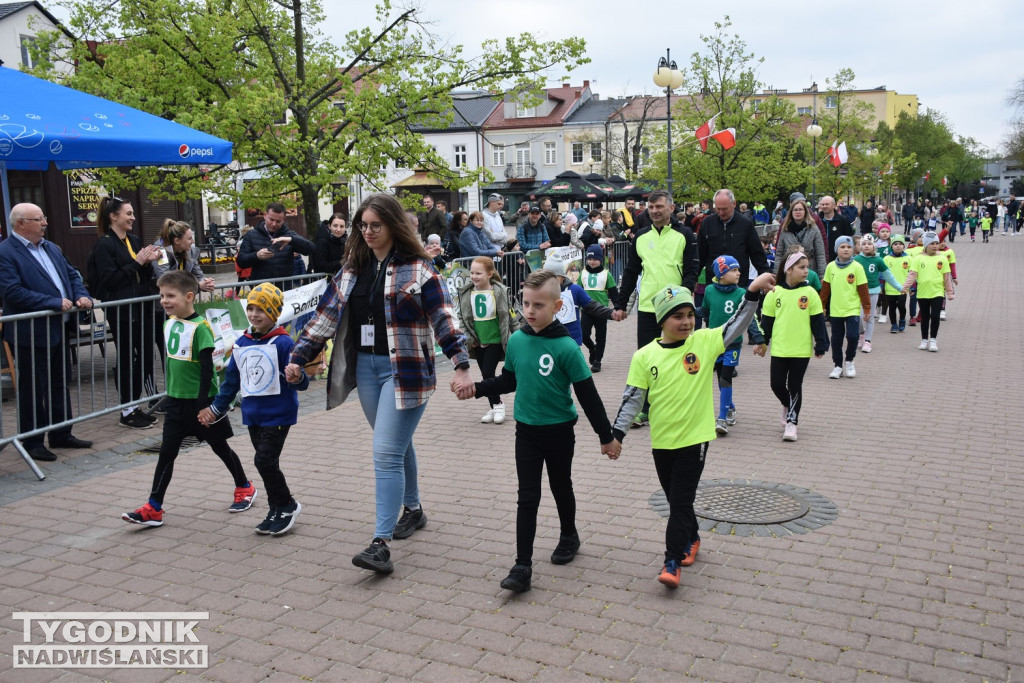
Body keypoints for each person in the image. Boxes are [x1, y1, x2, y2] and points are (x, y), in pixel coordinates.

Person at [285, 193, 471, 575]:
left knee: (385, 451)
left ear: (392, 225)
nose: (368, 232)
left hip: (407, 370)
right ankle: (414, 508)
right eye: (362, 226)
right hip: (366, 370)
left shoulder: (419, 268)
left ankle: (379, 543)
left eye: (375, 225)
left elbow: (443, 318)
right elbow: (323, 318)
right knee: (396, 446)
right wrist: (298, 357)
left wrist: (462, 364)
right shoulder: (351, 269)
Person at [452, 269, 619, 593]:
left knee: (560, 486)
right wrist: (477, 388)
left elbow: (588, 396)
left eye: (538, 305)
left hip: (558, 431)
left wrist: (606, 437)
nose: (530, 311)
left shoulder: (567, 348)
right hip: (526, 431)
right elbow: (509, 381)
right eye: (526, 304)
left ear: (557, 307)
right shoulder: (517, 340)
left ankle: (569, 534)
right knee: (527, 496)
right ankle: (522, 565)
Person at [608, 273, 775, 587]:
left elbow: (737, 323)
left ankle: (672, 562)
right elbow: (632, 400)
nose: (686, 322)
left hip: (695, 440)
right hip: (662, 442)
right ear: (661, 320)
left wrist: (751, 292)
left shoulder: (705, 341)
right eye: (677, 316)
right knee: (676, 500)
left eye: (689, 315)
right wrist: (616, 435)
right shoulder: (644, 356)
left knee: (681, 502)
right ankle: (693, 536)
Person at [121, 271, 256, 527]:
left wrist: (206, 405)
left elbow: (208, 369)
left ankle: (245, 486)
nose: (164, 300)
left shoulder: (201, 329)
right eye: (162, 295)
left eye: (170, 295)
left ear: (189, 296)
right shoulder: (168, 323)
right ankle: (154, 507)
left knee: (220, 447)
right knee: (167, 454)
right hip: (176, 402)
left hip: (201, 403)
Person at [198, 282, 310, 535]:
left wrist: (298, 377)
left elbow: (300, 380)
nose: (254, 314)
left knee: (264, 461)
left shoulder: (283, 343)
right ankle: (275, 508)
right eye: (250, 308)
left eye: (261, 309)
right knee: (267, 463)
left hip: (279, 414)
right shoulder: (241, 343)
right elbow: (231, 383)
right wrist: (216, 410)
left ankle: (287, 504)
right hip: (253, 415)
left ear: (274, 312)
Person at [0, 203, 94, 462]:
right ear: (21, 224)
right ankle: (32, 441)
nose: (45, 223)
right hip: (30, 332)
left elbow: (72, 275)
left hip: (59, 328)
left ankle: (61, 433)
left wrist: (81, 295)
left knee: (59, 383)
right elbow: (12, 291)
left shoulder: (51, 247)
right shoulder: (6, 252)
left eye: (43, 217)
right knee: (33, 388)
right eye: (38, 219)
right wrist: (51, 302)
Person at [613, 190, 699, 426]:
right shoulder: (640, 236)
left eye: (659, 207)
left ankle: (680, 405)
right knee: (648, 358)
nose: (654, 211)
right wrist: (620, 305)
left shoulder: (685, 234)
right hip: (649, 307)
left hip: (676, 308)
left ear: (671, 208)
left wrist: (682, 298)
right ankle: (647, 408)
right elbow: (630, 272)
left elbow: (692, 270)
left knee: (678, 357)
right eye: (650, 208)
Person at [89, 195, 163, 429]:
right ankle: (126, 409)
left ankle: (135, 405)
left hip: (142, 307)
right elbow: (109, 280)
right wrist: (138, 263)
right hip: (122, 311)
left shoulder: (133, 239)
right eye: (128, 213)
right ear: (114, 216)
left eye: (132, 213)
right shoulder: (105, 244)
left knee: (145, 357)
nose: (133, 217)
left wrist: (152, 261)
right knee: (127, 359)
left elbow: (141, 273)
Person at [762, 251, 829, 442]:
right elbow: (766, 322)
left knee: (794, 385)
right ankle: (787, 403)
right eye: (801, 267)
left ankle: (792, 422)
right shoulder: (775, 293)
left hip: (801, 350)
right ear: (788, 269)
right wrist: (762, 343)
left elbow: (818, 322)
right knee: (776, 384)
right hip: (780, 349)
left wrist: (821, 344)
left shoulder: (809, 293)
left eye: (807, 267)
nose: (806, 271)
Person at [699, 256, 766, 436]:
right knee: (721, 378)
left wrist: (759, 338)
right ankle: (730, 407)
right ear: (721, 273)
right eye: (734, 270)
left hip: (733, 344)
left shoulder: (741, 294)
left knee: (726, 378)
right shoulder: (710, 291)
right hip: (715, 342)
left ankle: (722, 418)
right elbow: (705, 312)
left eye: (738, 270)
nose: (739, 273)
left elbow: (749, 317)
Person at [455, 256, 518, 425]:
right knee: (485, 375)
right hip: (477, 341)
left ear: (490, 274)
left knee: (488, 373)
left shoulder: (500, 291)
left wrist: (520, 335)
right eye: (472, 273)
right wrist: (469, 338)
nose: (474, 276)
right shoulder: (467, 293)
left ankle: (498, 405)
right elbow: (462, 318)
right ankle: (493, 406)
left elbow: (510, 316)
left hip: (496, 340)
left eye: (478, 273)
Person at [697, 189, 770, 288]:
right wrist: (693, 279)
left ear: (734, 204)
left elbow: (757, 254)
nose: (721, 213)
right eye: (718, 209)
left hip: (738, 284)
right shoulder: (707, 223)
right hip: (713, 284)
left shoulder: (745, 224)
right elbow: (700, 254)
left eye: (724, 209)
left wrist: (766, 277)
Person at [820, 236, 870, 379]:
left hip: (852, 309)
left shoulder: (857, 267)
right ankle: (837, 366)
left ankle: (849, 361)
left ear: (853, 249)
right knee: (836, 339)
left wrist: (866, 308)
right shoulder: (831, 267)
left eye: (849, 247)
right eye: (842, 247)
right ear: (837, 249)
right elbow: (825, 290)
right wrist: (821, 306)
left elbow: (863, 290)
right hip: (835, 310)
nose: (846, 249)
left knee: (853, 336)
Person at [544, 250, 616, 347]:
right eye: (546, 277)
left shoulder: (575, 290)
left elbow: (592, 306)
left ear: (562, 276)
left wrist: (611, 313)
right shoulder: (541, 292)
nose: (550, 281)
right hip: (549, 339)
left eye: (554, 278)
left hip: (571, 340)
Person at [236, 203, 315, 287]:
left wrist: (291, 240)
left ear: (284, 219)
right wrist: (256, 256)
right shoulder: (251, 235)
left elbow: (311, 249)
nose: (274, 224)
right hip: (260, 289)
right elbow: (241, 261)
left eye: (278, 221)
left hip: (284, 288)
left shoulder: (290, 234)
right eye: (271, 219)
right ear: (265, 215)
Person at [901, 231, 954, 352]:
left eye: (936, 243)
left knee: (935, 316)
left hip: (938, 292)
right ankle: (924, 339)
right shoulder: (918, 259)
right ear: (925, 245)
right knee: (925, 317)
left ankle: (933, 340)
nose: (935, 246)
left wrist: (950, 292)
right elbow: (912, 275)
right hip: (923, 293)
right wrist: (905, 287)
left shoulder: (942, 258)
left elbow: (947, 277)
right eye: (932, 243)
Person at [853, 234, 902, 353]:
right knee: (856, 317)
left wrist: (899, 287)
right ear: (860, 247)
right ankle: (862, 334)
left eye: (869, 244)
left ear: (874, 246)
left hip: (873, 292)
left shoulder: (878, 260)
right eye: (863, 244)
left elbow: (888, 275)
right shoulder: (855, 260)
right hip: (858, 292)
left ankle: (868, 341)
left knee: (869, 317)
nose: (866, 246)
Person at [580, 244, 619, 373]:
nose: (591, 262)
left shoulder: (606, 274)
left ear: (600, 260)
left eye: (594, 259)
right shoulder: (583, 273)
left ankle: (598, 361)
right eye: (589, 259)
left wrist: (618, 308)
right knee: (584, 334)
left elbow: (613, 293)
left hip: (602, 311)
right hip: (586, 309)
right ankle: (592, 348)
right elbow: (578, 291)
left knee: (600, 336)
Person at [152, 219, 216, 292]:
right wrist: (197, 286)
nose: (193, 241)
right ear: (177, 241)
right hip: (164, 300)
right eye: (189, 238)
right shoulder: (160, 253)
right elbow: (166, 281)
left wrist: (206, 282)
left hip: (180, 298)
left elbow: (198, 275)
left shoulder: (190, 251)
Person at [775, 199, 826, 277]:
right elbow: (779, 254)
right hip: (790, 271)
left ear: (805, 211)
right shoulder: (785, 229)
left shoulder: (814, 229)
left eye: (800, 209)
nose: (798, 212)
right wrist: (776, 274)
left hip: (810, 270)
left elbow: (820, 254)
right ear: (791, 212)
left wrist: (822, 275)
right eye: (795, 210)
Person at [882, 234, 911, 333]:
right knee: (892, 307)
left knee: (902, 306)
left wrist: (912, 288)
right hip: (890, 289)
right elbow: (882, 274)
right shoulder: (886, 259)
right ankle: (894, 324)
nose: (898, 246)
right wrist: (881, 286)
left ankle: (902, 319)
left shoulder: (909, 259)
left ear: (904, 246)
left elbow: (912, 274)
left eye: (900, 244)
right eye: (895, 244)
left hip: (903, 288)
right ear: (891, 246)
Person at [818, 196, 854, 260]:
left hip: (838, 258)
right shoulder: (817, 220)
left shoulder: (843, 220)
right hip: (820, 256)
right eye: (823, 204)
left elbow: (849, 238)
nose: (824, 206)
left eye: (827, 204)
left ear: (834, 205)